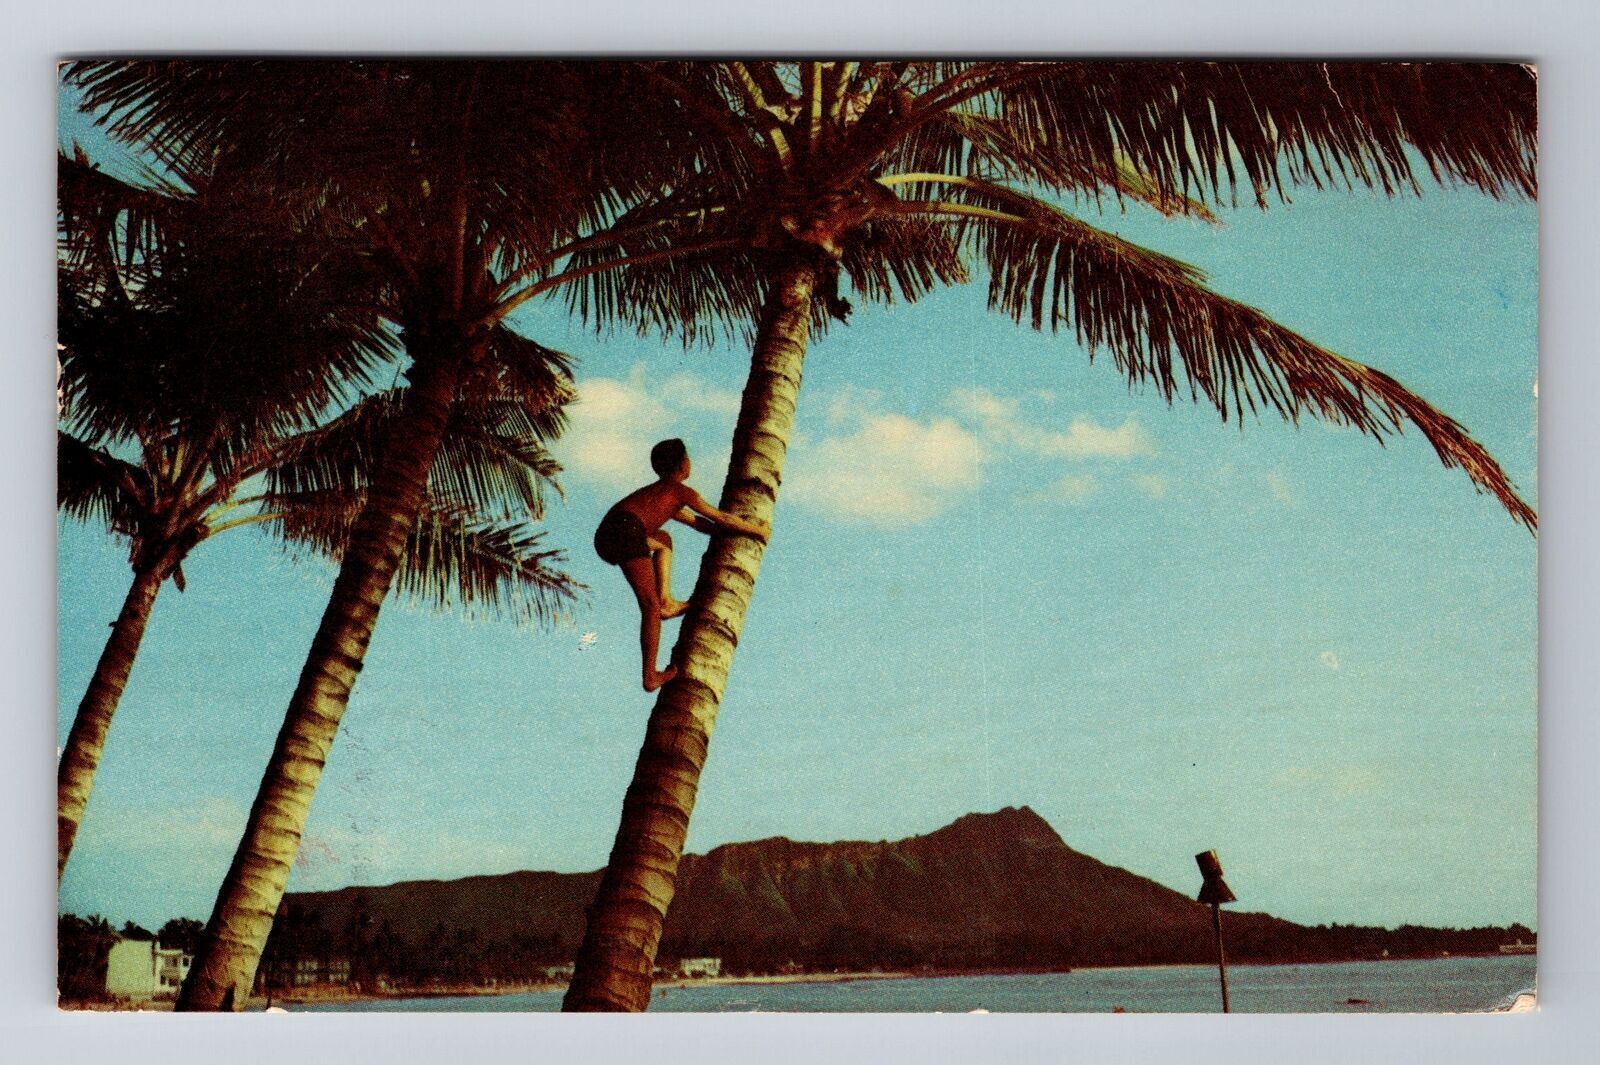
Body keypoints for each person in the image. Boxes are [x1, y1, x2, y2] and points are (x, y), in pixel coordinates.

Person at [594, 438, 770, 691]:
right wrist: (756, 530)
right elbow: (718, 516)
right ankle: (650, 676)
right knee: (649, 607)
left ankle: (666, 601)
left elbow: (699, 524)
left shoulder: (662, 493)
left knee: (663, 540)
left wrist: (726, 534)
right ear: (682, 465)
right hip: (625, 530)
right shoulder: (680, 492)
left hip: (609, 535)